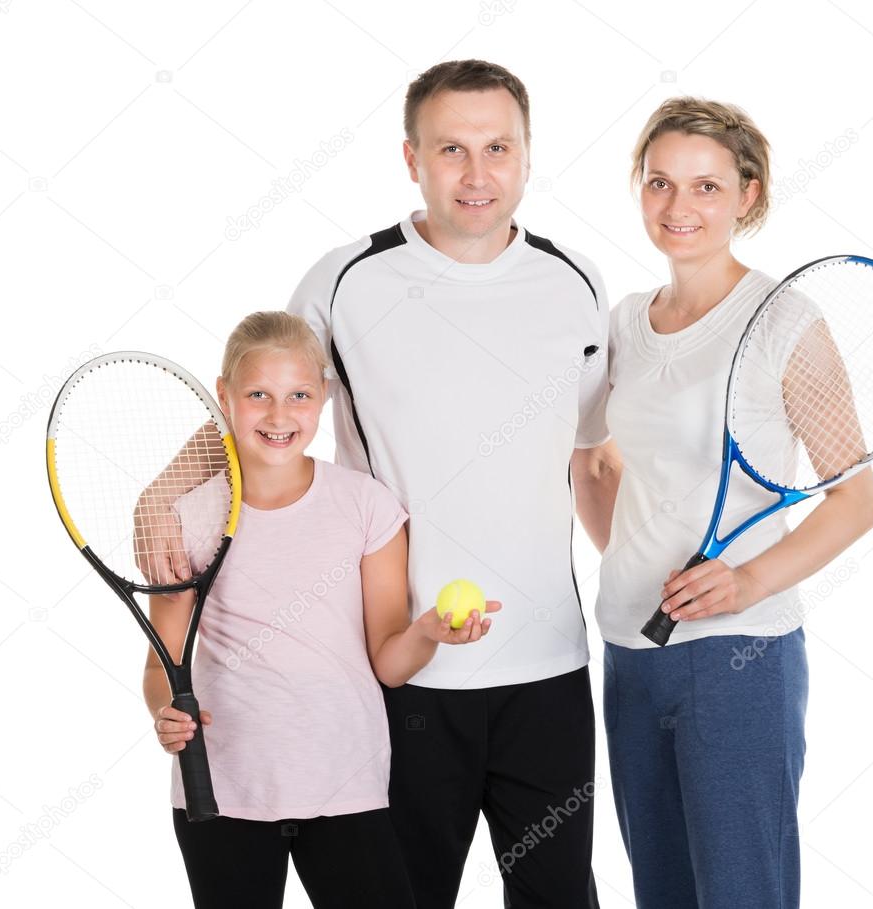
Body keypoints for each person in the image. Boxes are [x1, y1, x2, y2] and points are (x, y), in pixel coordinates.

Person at [287, 60, 609, 908]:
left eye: (497, 147)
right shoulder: (343, 282)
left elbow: (589, 454)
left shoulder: (575, 285)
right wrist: (177, 488)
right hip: (400, 674)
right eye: (451, 149)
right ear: (411, 158)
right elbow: (267, 415)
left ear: (528, 157)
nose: (476, 174)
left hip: (548, 674)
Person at [576, 98, 873, 908]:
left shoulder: (784, 318)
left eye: (705, 187)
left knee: (742, 891)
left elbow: (854, 500)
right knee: (662, 892)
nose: (679, 208)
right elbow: (595, 465)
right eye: (659, 184)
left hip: (739, 657)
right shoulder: (622, 324)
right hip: (631, 648)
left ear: (747, 194)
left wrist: (743, 583)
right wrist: (629, 561)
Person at [143, 311, 498, 909]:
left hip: (345, 782)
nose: (279, 416)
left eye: (299, 396)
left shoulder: (365, 506)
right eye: (258, 395)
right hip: (223, 787)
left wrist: (430, 632)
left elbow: (387, 662)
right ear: (224, 398)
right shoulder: (191, 520)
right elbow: (162, 666)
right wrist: (164, 713)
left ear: (323, 399)